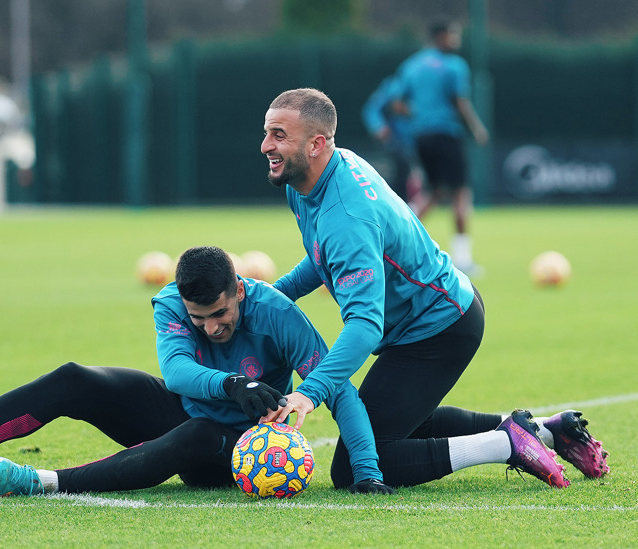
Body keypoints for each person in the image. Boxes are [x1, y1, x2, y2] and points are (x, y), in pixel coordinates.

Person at [259, 88, 609, 490]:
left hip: (438, 328)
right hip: (439, 311)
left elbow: (364, 325)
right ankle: (547, 431)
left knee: (354, 467)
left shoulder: (347, 215)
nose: (267, 145)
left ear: (317, 143)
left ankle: (505, 444)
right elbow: (326, 255)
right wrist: (273, 296)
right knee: (405, 419)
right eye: (268, 132)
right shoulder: (312, 178)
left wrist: (311, 392)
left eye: (279, 134)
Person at [0, 246, 394, 496]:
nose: (211, 327)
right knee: (74, 377)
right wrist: (232, 382)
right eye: (199, 317)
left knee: (201, 433)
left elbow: (339, 389)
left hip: (235, 446)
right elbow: (178, 372)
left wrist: (366, 472)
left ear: (240, 290)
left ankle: (42, 483)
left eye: (222, 314)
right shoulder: (170, 304)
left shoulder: (276, 310)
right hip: (185, 407)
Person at [391, 20, 490, 275]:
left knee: (433, 193)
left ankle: (395, 246)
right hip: (447, 134)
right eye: (453, 35)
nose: (456, 40)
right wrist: (477, 129)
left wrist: (422, 114)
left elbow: (398, 105)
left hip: (422, 137)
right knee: (460, 193)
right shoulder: (454, 65)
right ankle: (463, 259)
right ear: (442, 36)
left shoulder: (411, 65)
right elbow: (460, 101)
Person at [361, 74, 415, 205]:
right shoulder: (394, 86)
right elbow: (371, 110)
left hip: (410, 144)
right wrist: (379, 127)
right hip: (392, 144)